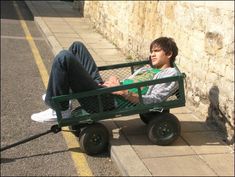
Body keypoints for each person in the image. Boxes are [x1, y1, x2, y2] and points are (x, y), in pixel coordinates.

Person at [31, 37, 179, 123]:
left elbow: (154, 100)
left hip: (107, 100)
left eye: (156, 51)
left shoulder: (170, 74)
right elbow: (131, 81)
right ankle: (63, 100)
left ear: (169, 53)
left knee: (64, 57)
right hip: (106, 90)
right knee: (77, 47)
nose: (152, 55)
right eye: (151, 51)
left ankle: (60, 108)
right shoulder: (147, 68)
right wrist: (117, 81)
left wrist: (124, 92)